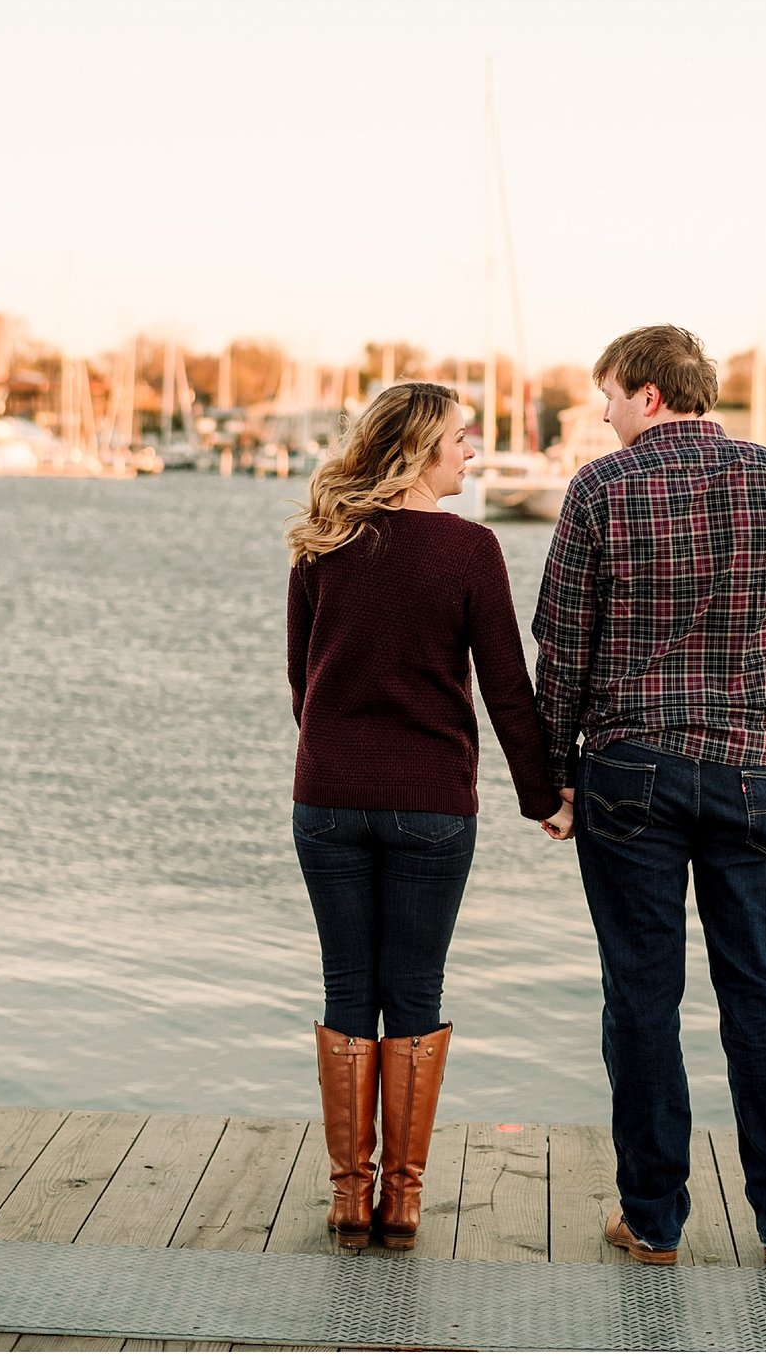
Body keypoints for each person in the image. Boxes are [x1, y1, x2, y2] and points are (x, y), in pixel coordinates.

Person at [531, 324, 766, 1268]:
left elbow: (565, 650)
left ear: (649, 395)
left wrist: (555, 769)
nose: (601, 414)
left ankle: (654, 1220)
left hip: (628, 773)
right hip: (753, 771)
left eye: (608, 396)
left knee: (641, 998)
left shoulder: (599, 488)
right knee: (764, 997)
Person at [285, 382, 564, 1250]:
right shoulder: (470, 550)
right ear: (418, 449)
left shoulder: (320, 544)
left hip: (327, 798)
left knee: (345, 988)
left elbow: (304, 683)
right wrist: (545, 794)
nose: (472, 451)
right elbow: (507, 691)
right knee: (414, 991)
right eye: (460, 438)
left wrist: (338, 759)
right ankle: (400, 1202)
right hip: (432, 805)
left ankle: (347, 1195)